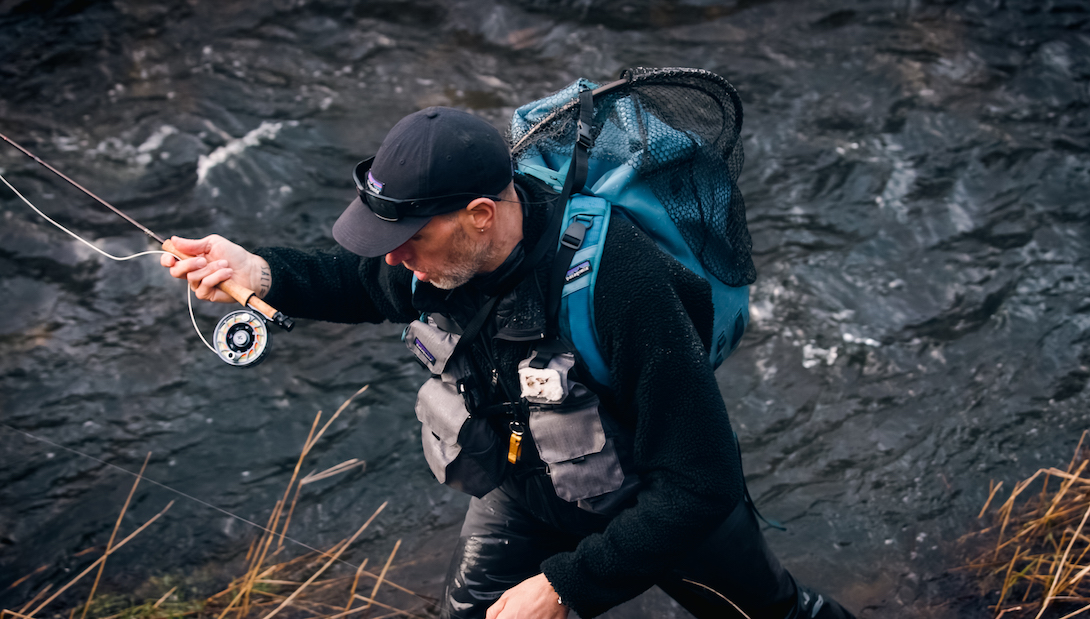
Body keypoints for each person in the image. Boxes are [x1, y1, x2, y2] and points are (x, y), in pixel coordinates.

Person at [163, 106, 856, 619]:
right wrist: (256, 271)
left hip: (657, 505)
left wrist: (564, 587)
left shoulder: (621, 283)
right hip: (527, 487)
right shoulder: (429, 261)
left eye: (407, 239)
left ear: (480, 214)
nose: (394, 257)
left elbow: (701, 484)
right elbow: (355, 282)